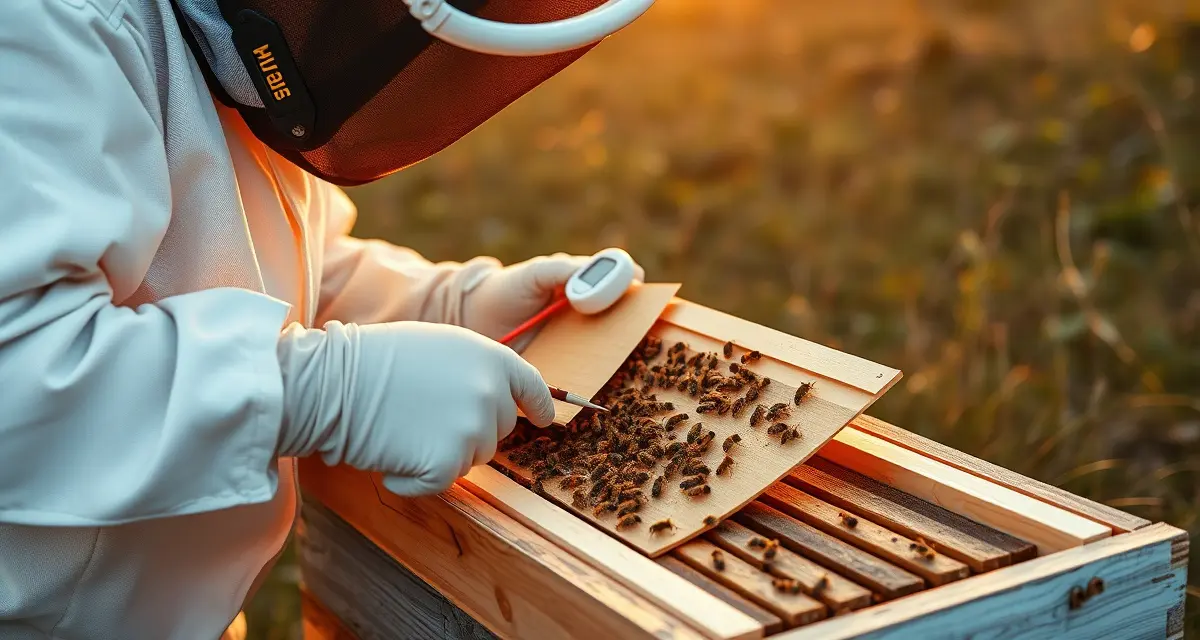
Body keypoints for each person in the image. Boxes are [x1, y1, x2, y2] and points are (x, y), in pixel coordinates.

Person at [0, 0, 652, 637]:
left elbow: (266, 260)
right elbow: (19, 371)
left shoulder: (232, 44)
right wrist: (328, 389)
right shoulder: (40, 29)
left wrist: (450, 305)